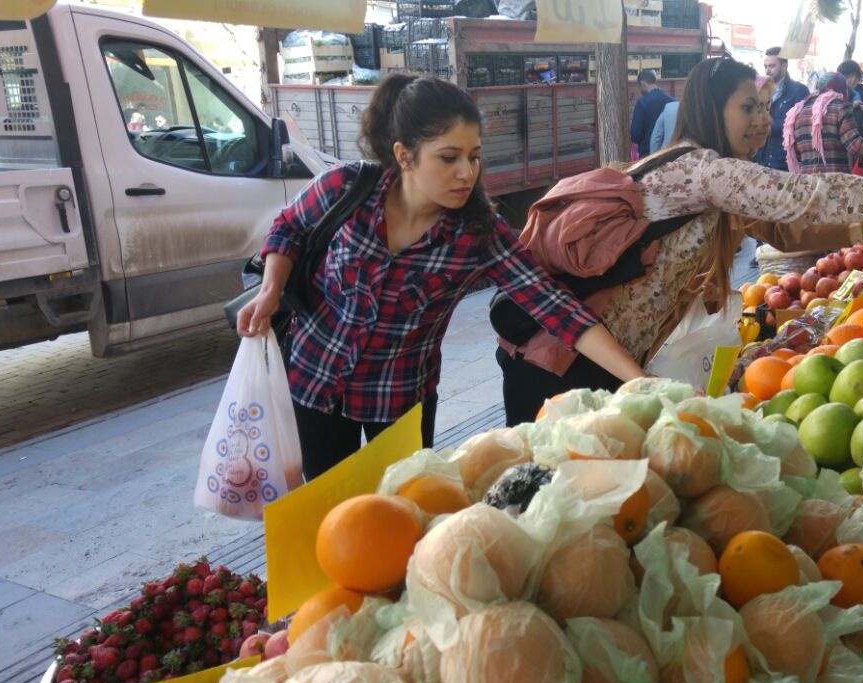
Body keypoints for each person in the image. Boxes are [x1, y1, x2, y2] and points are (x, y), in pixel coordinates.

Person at [499, 58, 863, 422]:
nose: (762, 120)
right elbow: (811, 196)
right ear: (712, 109)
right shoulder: (703, 172)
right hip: (560, 357)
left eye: (763, 107)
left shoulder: (710, 176)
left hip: (606, 359)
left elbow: (788, 229)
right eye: (747, 107)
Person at [238, 74, 645, 480]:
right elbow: (289, 227)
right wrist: (271, 290)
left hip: (398, 404)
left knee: (402, 516)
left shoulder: (478, 233)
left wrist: (640, 382)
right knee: (323, 512)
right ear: (405, 155)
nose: (467, 173)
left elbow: (556, 308)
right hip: (314, 382)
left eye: (475, 156)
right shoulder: (345, 188)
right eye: (449, 158)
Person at [785, 72, 863, 175]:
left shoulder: (797, 111)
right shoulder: (841, 107)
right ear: (841, 87)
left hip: (806, 183)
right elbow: (856, 147)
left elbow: (797, 153)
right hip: (833, 183)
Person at [753, 47, 810, 172]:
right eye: (765, 66)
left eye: (772, 66)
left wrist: (770, 128)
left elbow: (801, 124)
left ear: (784, 66)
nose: (768, 70)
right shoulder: (761, 89)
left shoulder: (799, 90)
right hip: (761, 158)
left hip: (784, 161)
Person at [630, 69, 675, 157]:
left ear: (643, 84)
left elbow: (635, 134)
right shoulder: (671, 101)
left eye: (639, 88)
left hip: (648, 155)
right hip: (670, 153)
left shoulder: (642, 103)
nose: (640, 91)